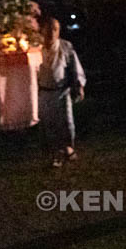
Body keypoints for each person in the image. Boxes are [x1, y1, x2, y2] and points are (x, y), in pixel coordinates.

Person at [37, 17, 86, 167]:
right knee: (48, 123)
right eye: (48, 29)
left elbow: (75, 67)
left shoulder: (65, 46)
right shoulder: (35, 47)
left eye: (55, 29)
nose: (51, 33)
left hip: (62, 90)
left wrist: (79, 86)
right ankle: (55, 152)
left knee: (67, 122)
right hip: (43, 92)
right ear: (42, 30)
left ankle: (68, 147)